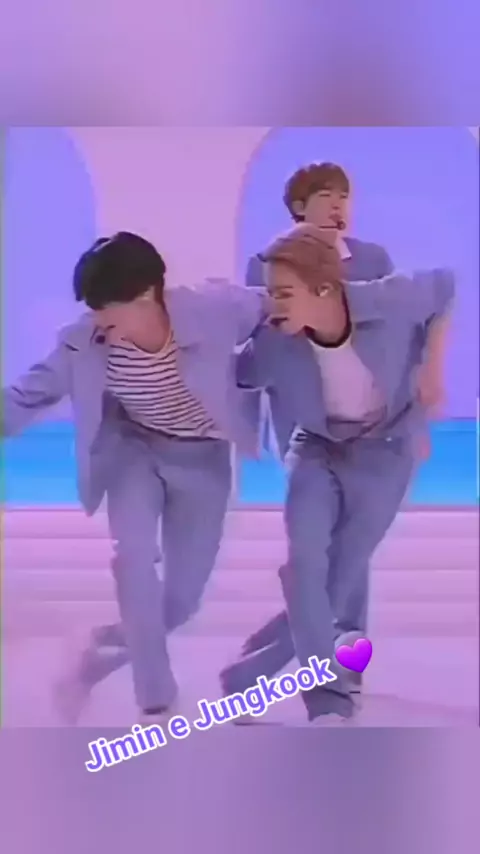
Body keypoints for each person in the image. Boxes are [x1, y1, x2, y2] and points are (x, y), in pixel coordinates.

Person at [2, 232, 264, 725]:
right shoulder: (86, 341)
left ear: (146, 295)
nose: (99, 320)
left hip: (204, 459)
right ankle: (156, 699)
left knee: (181, 602)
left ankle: (99, 650)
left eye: (107, 309)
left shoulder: (214, 309)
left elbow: (276, 309)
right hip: (134, 452)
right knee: (135, 558)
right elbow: (26, 395)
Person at [221, 225, 454, 725]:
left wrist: (432, 368)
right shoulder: (274, 341)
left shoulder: (389, 300)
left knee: (336, 581)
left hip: (386, 451)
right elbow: (233, 375)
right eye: (269, 292)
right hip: (317, 449)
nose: (271, 303)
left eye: (283, 293)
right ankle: (326, 700)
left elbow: (445, 286)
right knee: (306, 568)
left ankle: (248, 675)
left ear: (324, 289)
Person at [244, 163, 395, 687]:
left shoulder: (373, 261)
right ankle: (307, 644)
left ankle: (343, 658)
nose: (338, 206)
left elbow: (394, 331)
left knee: (351, 544)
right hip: (305, 424)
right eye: (326, 195)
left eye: (344, 196)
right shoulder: (267, 264)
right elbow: (261, 348)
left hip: (368, 425)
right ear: (298, 207)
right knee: (316, 546)